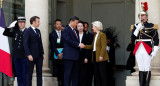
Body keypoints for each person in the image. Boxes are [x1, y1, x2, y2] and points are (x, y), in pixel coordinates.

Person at [131, 5, 159, 86]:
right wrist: (137, 29)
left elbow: (156, 39)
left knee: (147, 67)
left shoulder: (151, 26)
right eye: (140, 15)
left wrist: (155, 50)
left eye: (143, 15)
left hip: (147, 48)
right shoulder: (136, 26)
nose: (141, 17)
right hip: (138, 48)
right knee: (141, 67)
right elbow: (132, 38)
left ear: (146, 17)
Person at [81, 21, 109, 86]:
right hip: (95, 56)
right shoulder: (95, 35)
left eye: (93, 26)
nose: (92, 28)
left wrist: (101, 55)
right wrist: (84, 46)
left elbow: (103, 46)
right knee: (96, 75)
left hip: (101, 57)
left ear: (96, 27)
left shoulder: (102, 35)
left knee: (102, 75)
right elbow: (92, 46)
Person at [3, 17, 27, 86]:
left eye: (22, 22)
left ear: (25, 23)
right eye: (19, 22)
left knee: (24, 74)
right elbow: (5, 33)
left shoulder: (28, 31)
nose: (21, 24)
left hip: (24, 56)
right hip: (16, 56)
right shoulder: (16, 31)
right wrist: (9, 27)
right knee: (18, 74)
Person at [62, 16, 84, 86]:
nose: (77, 25)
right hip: (69, 57)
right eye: (76, 23)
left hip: (76, 57)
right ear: (71, 21)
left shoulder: (76, 31)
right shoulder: (66, 30)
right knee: (67, 75)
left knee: (75, 76)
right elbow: (68, 40)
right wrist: (78, 44)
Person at [23, 16, 44, 86]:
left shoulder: (38, 31)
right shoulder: (27, 31)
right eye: (38, 22)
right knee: (29, 73)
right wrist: (28, 54)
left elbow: (40, 43)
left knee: (39, 73)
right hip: (31, 56)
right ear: (33, 22)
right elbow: (25, 44)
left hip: (39, 56)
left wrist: (42, 53)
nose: (39, 23)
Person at [77, 21, 92, 86]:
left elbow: (88, 47)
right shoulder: (75, 35)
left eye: (81, 26)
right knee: (77, 74)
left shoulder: (87, 36)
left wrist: (86, 57)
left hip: (84, 57)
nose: (80, 27)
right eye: (78, 26)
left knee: (84, 74)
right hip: (76, 57)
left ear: (83, 27)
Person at [49, 19, 64, 86]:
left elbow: (66, 44)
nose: (59, 25)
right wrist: (58, 54)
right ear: (55, 25)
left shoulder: (64, 33)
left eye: (60, 24)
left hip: (63, 55)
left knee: (63, 71)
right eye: (57, 24)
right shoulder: (52, 34)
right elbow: (52, 45)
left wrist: (62, 53)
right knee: (55, 70)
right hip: (55, 54)